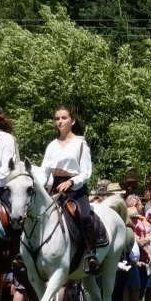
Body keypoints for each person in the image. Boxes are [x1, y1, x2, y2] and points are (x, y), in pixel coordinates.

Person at [42, 104, 99, 273]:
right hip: (54, 188)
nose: (60, 121)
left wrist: (71, 182)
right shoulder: (52, 145)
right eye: (57, 118)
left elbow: (86, 173)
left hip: (76, 189)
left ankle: (91, 255)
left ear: (72, 121)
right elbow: (45, 171)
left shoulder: (81, 144)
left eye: (64, 118)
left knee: (85, 216)